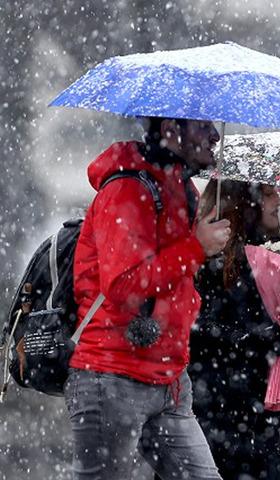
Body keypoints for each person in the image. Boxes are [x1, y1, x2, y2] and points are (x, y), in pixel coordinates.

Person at [67, 117, 230, 479]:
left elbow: (178, 279)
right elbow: (124, 285)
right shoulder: (126, 189)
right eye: (203, 126)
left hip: (170, 379)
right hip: (111, 377)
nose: (215, 135)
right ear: (172, 127)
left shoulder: (183, 189)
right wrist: (196, 247)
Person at [188, 179, 280, 480]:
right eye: (269, 193)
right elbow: (199, 331)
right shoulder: (207, 261)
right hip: (215, 414)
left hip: (253, 415)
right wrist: (272, 338)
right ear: (246, 202)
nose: (278, 200)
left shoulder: (267, 259)